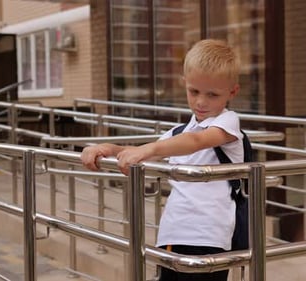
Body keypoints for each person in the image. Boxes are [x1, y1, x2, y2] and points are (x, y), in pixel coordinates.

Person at [80, 38, 243, 281]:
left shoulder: (227, 123)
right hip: (173, 233)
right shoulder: (179, 133)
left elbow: (198, 142)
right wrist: (108, 148)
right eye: (194, 91)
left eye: (212, 94)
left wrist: (147, 150)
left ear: (232, 92)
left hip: (209, 238)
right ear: (184, 84)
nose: (201, 101)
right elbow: (151, 150)